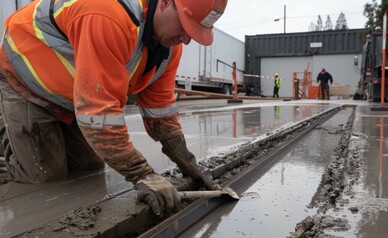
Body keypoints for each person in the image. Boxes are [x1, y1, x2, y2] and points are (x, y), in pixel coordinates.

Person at [0, 0, 227, 218]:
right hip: (26, 78)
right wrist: (142, 174)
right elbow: (99, 114)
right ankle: (8, 136)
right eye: (186, 26)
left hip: (72, 95)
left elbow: (160, 110)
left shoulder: (169, 48)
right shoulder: (108, 14)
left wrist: (186, 161)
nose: (186, 39)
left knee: (89, 169)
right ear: (166, 2)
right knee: (45, 177)